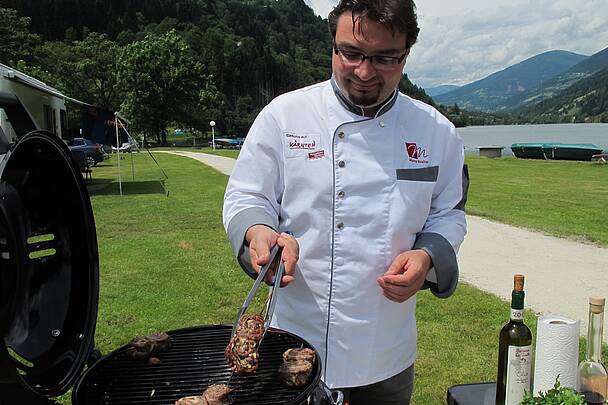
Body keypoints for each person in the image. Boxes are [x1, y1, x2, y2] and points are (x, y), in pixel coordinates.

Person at [223, 0, 467, 403]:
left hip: (385, 350)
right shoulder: (284, 116)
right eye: (351, 53)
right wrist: (257, 230)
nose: (365, 72)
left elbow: (449, 215)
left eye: (384, 58)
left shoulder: (435, 131)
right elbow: (247, 194)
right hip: (292, 340)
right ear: (332, 45)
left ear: (406, 53)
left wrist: (426, 257)